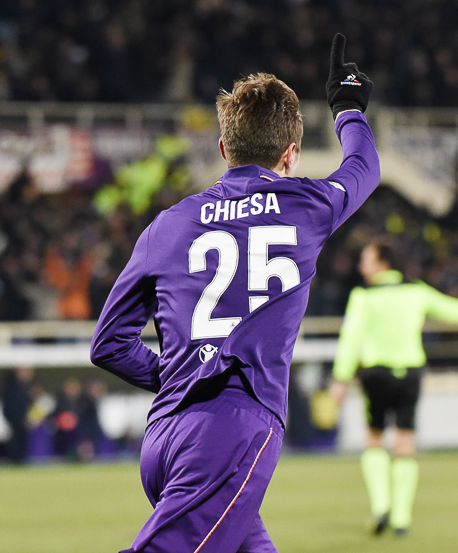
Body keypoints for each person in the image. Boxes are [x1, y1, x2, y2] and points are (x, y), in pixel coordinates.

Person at [90, 34, 378, 553]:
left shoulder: (168, 225)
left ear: (224, 150)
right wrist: (347, 106)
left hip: (164, 440)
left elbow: (107, 344)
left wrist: (180, 373)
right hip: (232, 429)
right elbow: (364, 168)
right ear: (290, 154)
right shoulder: (309, 206)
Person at [330, 239, 458, 536]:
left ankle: (381, 506)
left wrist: (340, 378)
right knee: (405, 441)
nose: (361, 266)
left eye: (367, 260)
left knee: (374, 439)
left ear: (384, 263)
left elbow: (351, 338)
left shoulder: (364, 296)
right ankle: (402, 518)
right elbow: (448, 308)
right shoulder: (415, 291)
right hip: (410, 372)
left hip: (376, 373)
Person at [1, 366, 35, 464]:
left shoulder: (30, 386)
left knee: (23, 441)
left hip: (26, 419)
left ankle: (21, 459)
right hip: (15, 419)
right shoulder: (12, 387)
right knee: (15, 441)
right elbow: (10, 406)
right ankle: (15, 460)